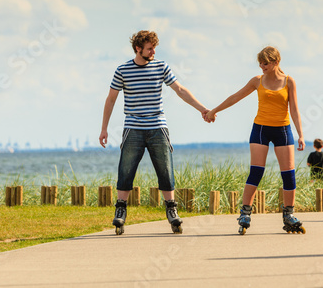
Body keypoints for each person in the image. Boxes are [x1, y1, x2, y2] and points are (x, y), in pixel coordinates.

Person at [99, 30, 209, 235]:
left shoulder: (161, 66)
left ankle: (171, 210)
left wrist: (202, 109)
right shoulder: (122, 70)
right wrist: (104, 128)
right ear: (138, 48)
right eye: (149, 48)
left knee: (165, 169)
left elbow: (180, 90)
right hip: (133, 127)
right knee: (126, 169)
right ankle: (120, 210)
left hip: (158, 126)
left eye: (154, 47)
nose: (153, 51)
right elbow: (111, 99)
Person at [205, 46, 306, 234]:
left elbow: (294, 110)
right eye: (260, 63)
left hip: (283, 130)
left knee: (289, 174)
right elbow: (236, 97)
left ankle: (289, 214)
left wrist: (300, 134)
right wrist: (214, 110)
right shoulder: (257, 81)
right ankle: (245, 212)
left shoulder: (289, 81)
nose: (262, 66)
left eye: (265, 63)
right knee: (256, 171)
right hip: (260, 129)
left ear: (276, 62)